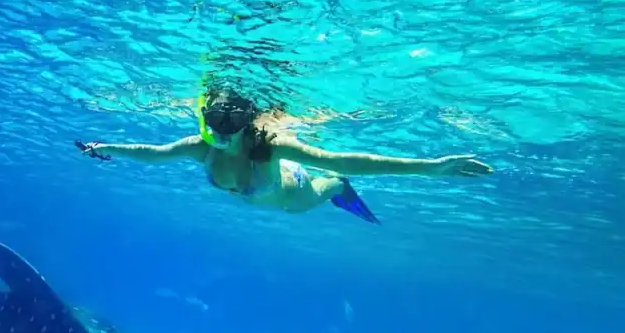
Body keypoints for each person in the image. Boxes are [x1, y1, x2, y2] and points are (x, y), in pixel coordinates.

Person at [76, 90, 492, 224]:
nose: (219, 134)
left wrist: (431, 168)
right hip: (260, 192)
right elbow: (153, 153)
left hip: (293, 192)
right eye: (213, 123)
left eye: (230, 124)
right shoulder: (198, 146)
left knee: (328, 186)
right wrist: (107, 147)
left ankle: (338, 192)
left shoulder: (271, 146)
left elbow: (344, 159)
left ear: (245, 124)